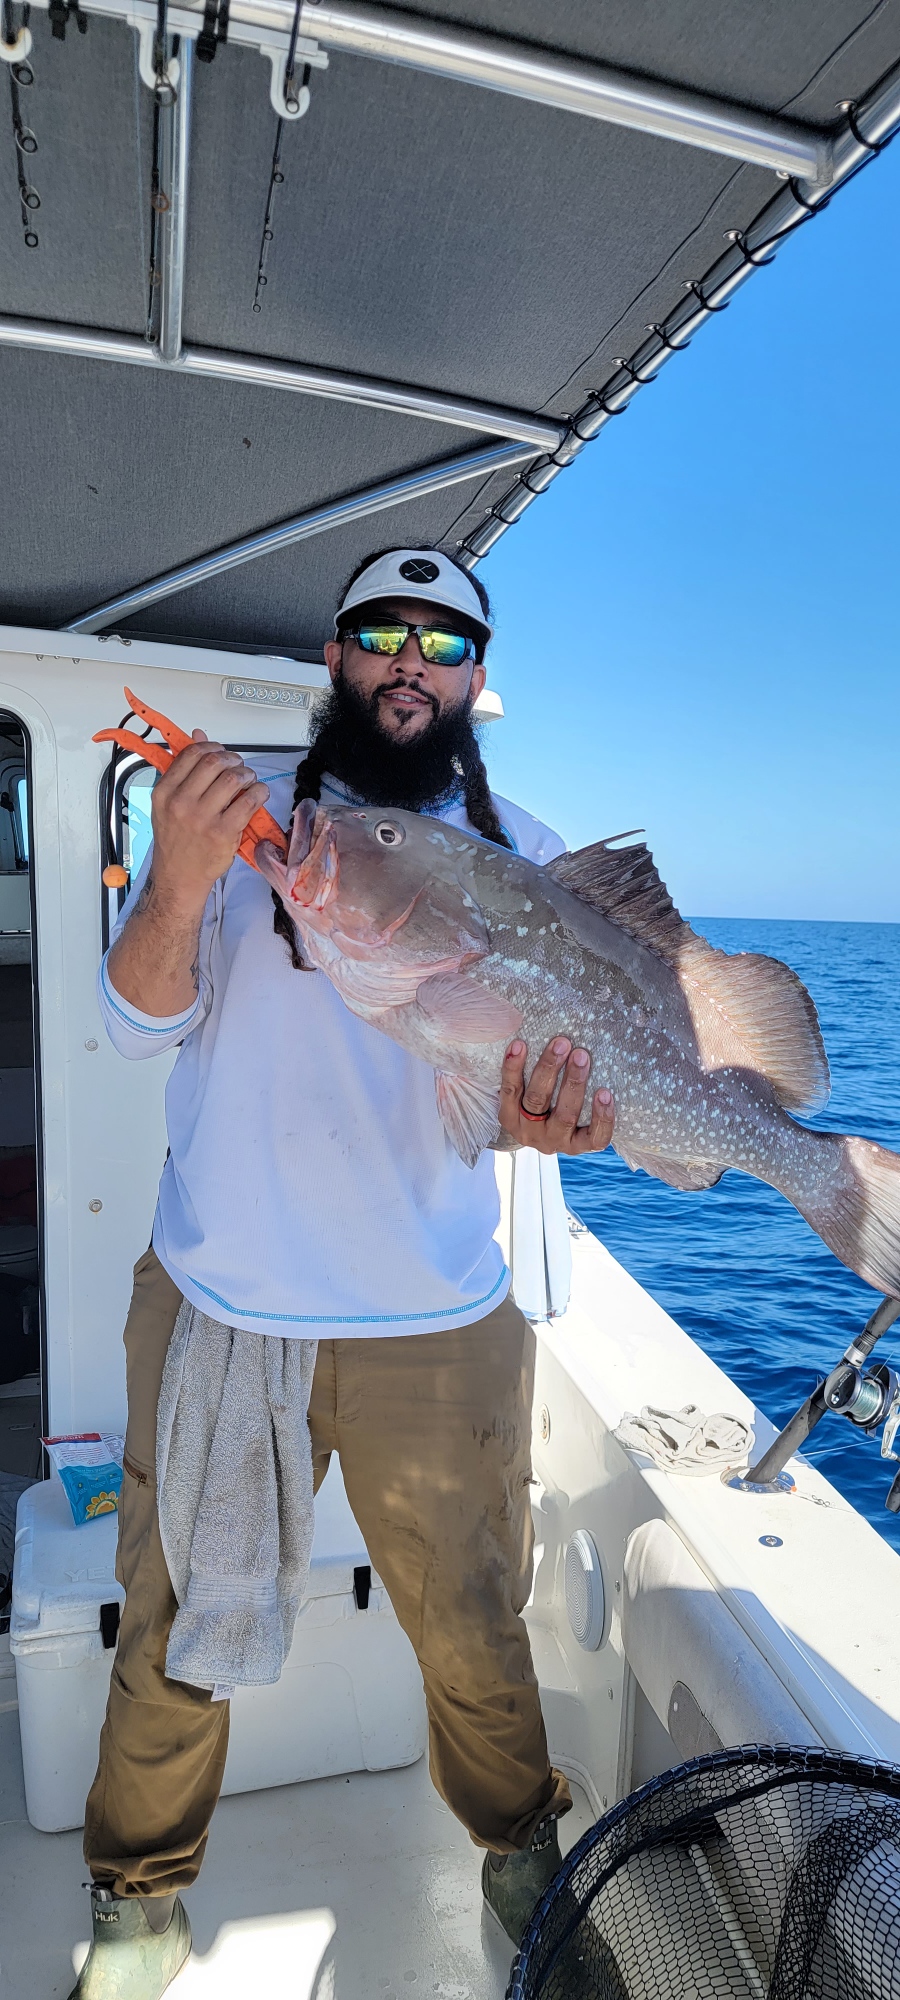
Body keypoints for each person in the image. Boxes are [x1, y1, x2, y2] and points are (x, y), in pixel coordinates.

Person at [73, 547, 615, 1998]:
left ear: (475, 680)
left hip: (434, 1323)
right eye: (380, 632)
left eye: (443, 642)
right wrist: (181, 877)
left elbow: (506, 1096)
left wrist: (541, 1120)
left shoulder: (530, 847)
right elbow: (132, 1029)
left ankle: (519, 1855)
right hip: (218, 1302)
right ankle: (137, 1910)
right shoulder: (250, 827)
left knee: (476, 1625)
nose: (408, 661)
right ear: (334, 658)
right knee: (170, 1623)